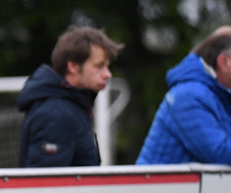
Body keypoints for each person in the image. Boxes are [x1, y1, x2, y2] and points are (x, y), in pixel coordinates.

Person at [17, 26, 123, 167]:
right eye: (99, 66)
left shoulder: (73, 105)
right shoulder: (54, 115)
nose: (107, 74)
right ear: (72, 66)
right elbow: (44, 185)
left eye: (107, 66)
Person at [136, 26, 231, 165]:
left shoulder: (218, 94)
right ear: (223, 62)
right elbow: (220, 154)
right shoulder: (189, 95)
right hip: (160, 186)